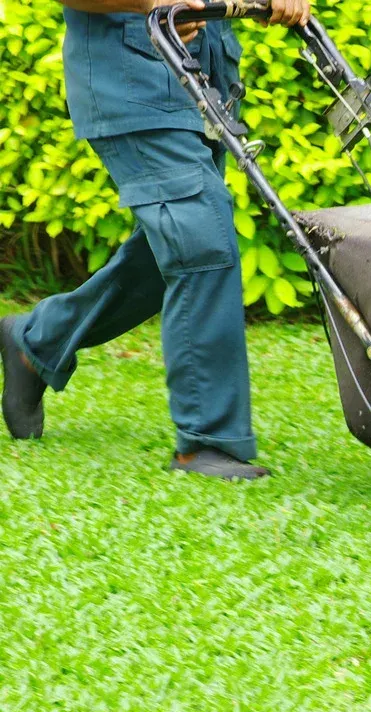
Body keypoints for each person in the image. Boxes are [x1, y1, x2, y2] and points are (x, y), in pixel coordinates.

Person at [0, 0, 309, 479]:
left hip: (202, 83)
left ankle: (36, 343)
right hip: (132, 80)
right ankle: (206, 442)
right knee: (200, 239)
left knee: (163, 256)